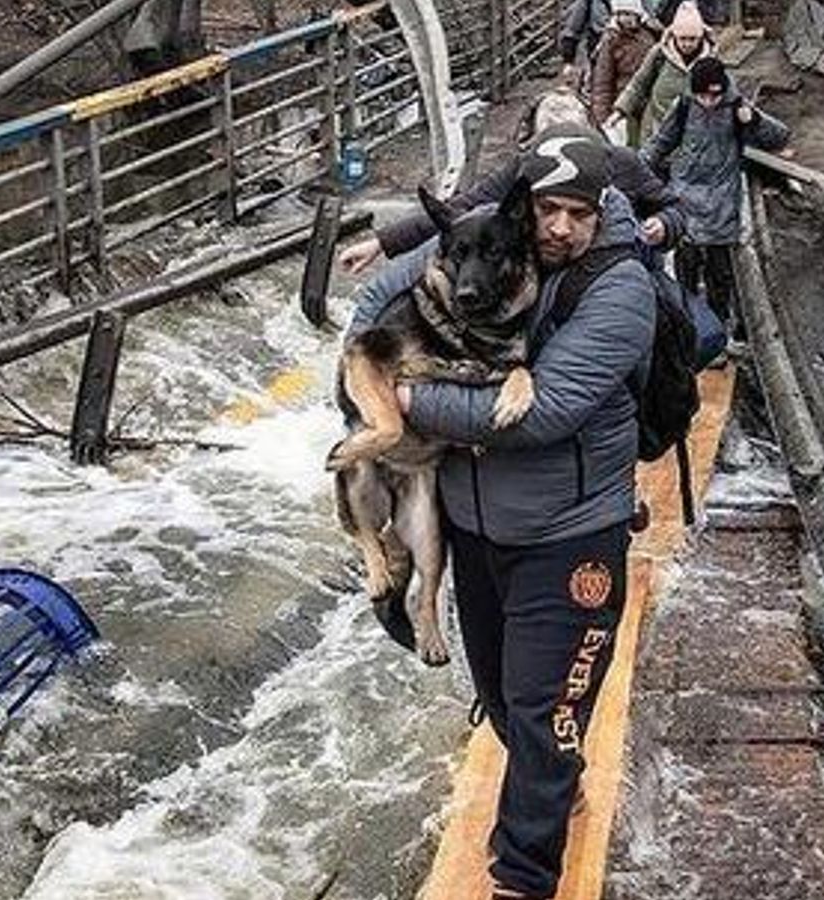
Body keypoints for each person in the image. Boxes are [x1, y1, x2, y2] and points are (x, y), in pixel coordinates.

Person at [347, 132, 655, 900]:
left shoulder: (619, 288)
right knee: (498, 694)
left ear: (600, 208)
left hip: (570, 533)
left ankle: (523, 876)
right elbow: (373, 306)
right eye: (547, 209)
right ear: (525, 209)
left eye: (576, 212)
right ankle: (555, 784)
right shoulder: (494, 237)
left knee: (543, 706)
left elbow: (541, 414)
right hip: (475, 526)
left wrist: (406, 400)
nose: (559, 228)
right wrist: (359, 375)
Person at [337, 91, 684, 280]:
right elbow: (465, 208)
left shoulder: (621, 162)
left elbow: (676, 209)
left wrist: (663, 226)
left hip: (618, 273)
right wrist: (383, 242)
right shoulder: (528, 166)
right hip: (548, 273)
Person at [641, 56, 789, 344]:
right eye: (702, 95)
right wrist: (635, 169)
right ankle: (685, 330)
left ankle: (718, 333)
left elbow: (779, 137)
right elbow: (660, 143)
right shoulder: (683, 107)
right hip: (684, 200)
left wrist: (754, 120)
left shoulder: (737, 107)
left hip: (721, 203)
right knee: (685, 274)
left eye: (714, 95)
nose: (708, 101)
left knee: (720, 278)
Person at [605, 1, 714, 147]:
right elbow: (639, 83)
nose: (687, 44)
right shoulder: (660, 54)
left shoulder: (710, 60)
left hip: (691, 131)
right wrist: (619, 111)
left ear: (700, 37)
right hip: (655, 128)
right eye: (682, 38)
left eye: (692, 39)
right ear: (675, 35)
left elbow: (723, 90)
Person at [589, 0, 659, 145]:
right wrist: (601, 116)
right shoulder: (611, 41)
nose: (625, 19)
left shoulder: (651, 34)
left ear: (638, 15)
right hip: (622, 104)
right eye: (621, 14)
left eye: (629, 14)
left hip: (650, 103)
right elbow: (602, 81)